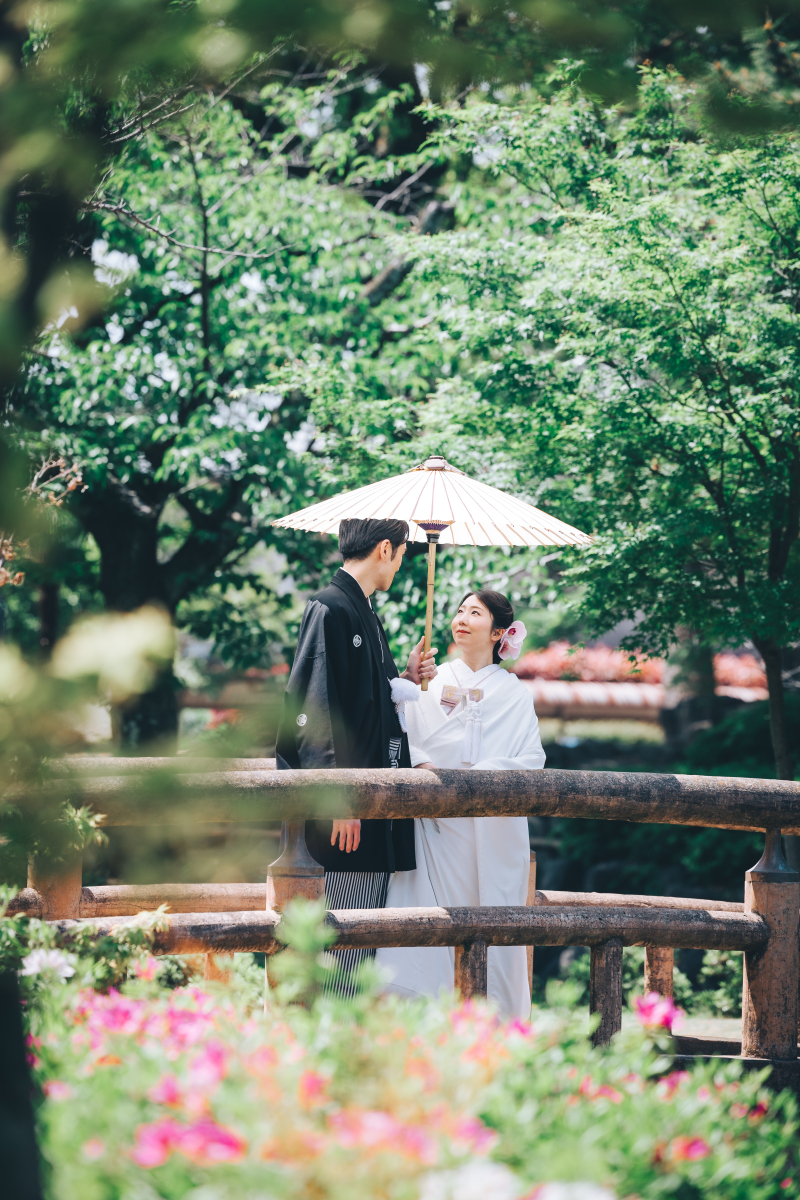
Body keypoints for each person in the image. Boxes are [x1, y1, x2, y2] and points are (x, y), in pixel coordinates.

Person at [275, 517, 437, 989]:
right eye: (403, 554)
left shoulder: (364, 611)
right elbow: (317, 708)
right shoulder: (330, 607)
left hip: (371, 798)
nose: (402, 564)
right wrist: (339, 797)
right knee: (340, 932)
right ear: (385, 549)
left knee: (359, 934)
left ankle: (341, 1038)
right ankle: (326, 1038)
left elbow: (368, 702)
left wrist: (404, 678)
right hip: (346, 809)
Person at [375, 588, 544, 1018]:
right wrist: (413, 695)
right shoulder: (435, 680)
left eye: (476, 612)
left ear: (499, 633)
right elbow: (406, 734)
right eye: (459, 610)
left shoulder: (515, 693)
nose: (462, 618)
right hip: (439, 825)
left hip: (492, 833)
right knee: (430, 916)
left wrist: (487, 772)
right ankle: (424, 1020)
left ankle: (494, 1024)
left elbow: (532, 760)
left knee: (493, 919)